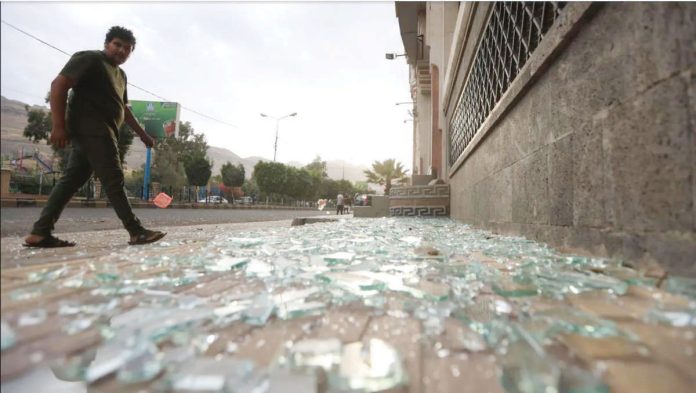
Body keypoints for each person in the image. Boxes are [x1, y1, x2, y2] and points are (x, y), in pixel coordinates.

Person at [23, 26, 166, 248]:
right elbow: (58, 85)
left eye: (127, 48)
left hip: (105, 130)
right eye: (117, 44)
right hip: (91, 128)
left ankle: (40, 232)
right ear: (107, 43)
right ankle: (136, 231)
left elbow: (123, 109)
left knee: (71, 181)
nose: (121, 51)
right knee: (114, 178)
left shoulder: (121, 75)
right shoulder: (89, 59)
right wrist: (58, 126)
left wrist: (143, 134)